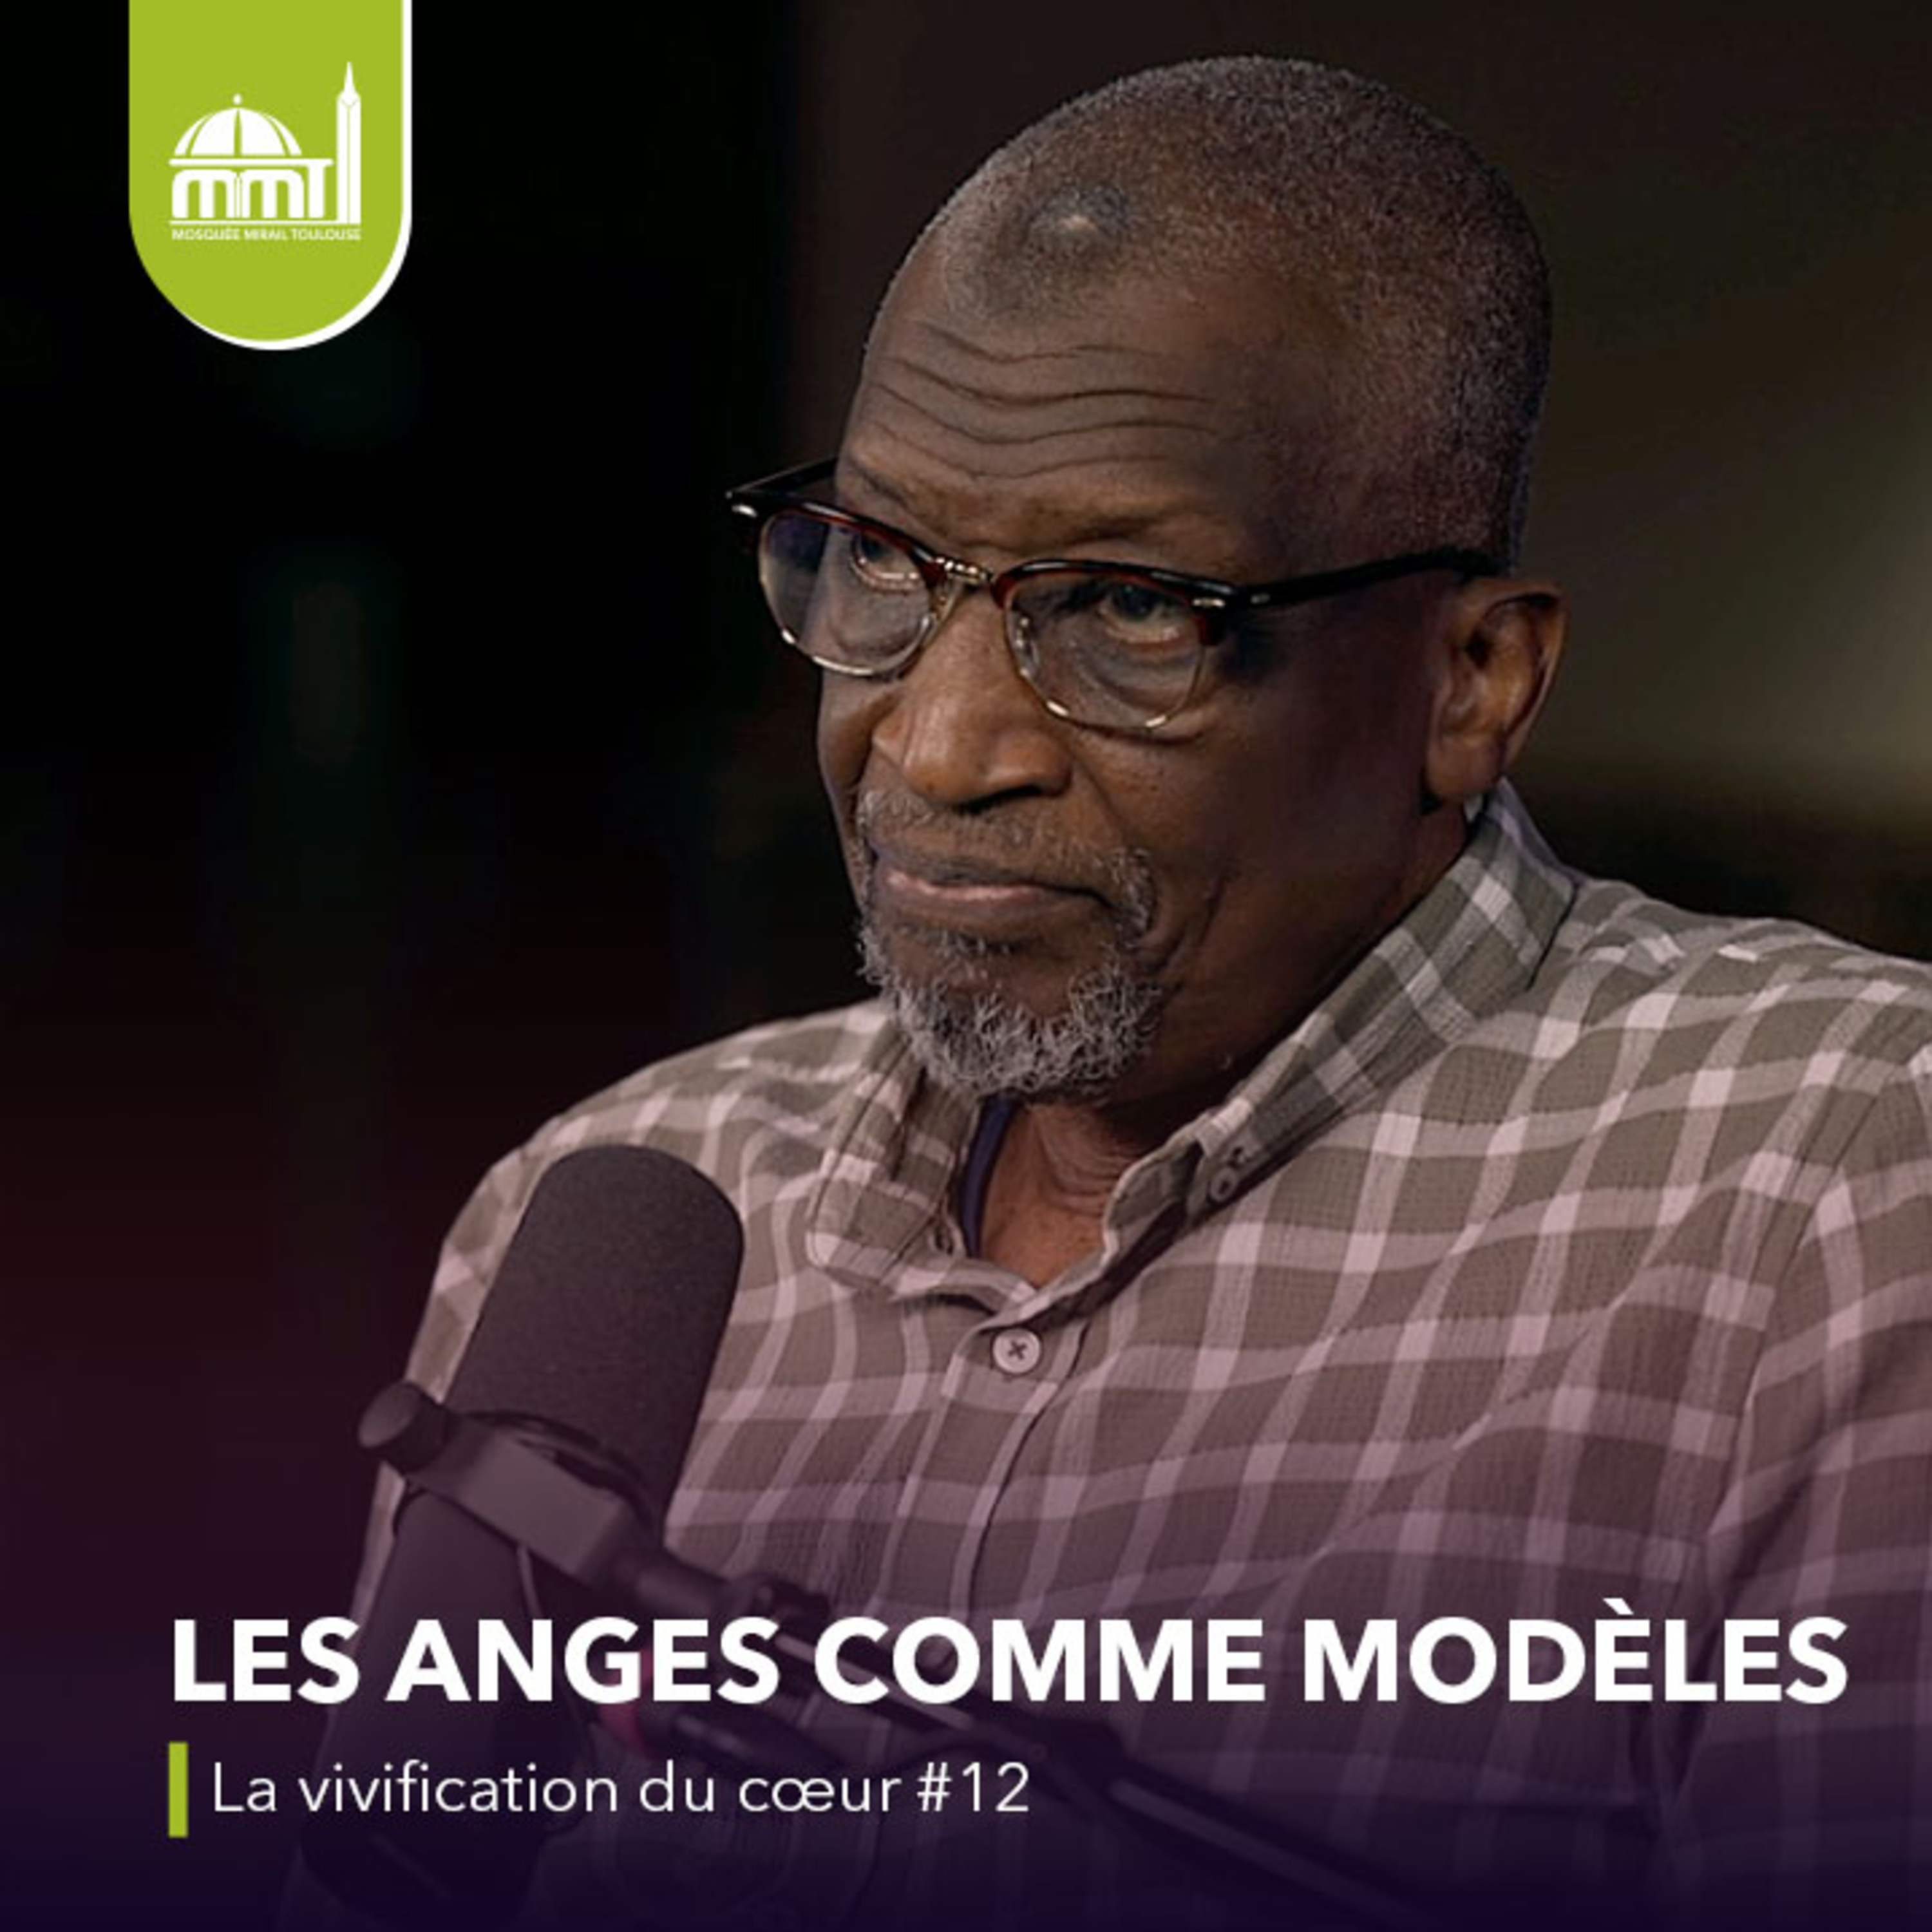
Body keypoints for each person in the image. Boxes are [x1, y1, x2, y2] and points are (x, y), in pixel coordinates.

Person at [353, 55, 1932, 1932]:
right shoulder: (614, 1214)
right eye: (879, 564)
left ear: (1472, 683)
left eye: (1127, 608)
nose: (935, 747)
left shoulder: (1835, 1182)